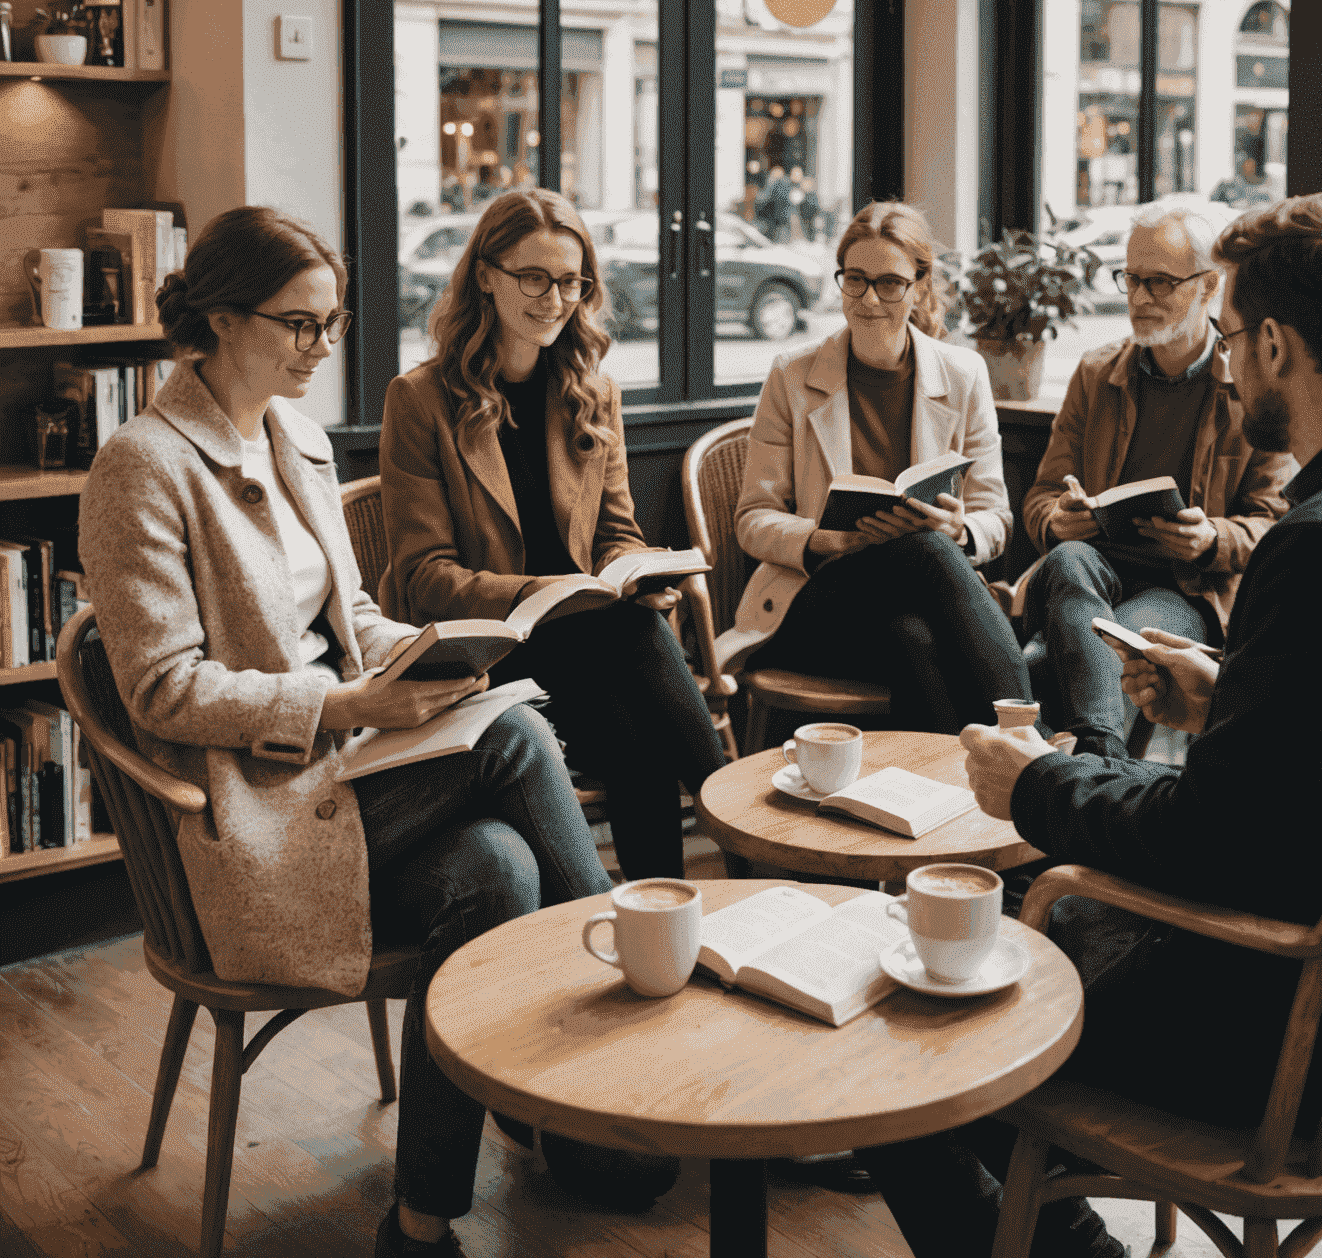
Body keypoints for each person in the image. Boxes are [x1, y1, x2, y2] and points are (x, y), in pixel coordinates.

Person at [857, 191, 1322, 1258]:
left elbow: (1204, 838)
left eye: (1230, 335)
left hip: (1296, 1026)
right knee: (1019, 912)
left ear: (1273, 345)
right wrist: (1225, 692)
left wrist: (1030, 783)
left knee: (907, 1020)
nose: (1225, 357)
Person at [77, 207, 627, 1258]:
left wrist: (428, 649)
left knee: (500, 867)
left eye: (330, 323)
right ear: (218, 321)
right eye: (299, 325)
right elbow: (161, 690)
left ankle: (421, 1222)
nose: (322, 348)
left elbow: (345, 619)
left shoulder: (297, 439)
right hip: (258, 815)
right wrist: (342, 706)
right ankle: (620, 1060)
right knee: (517, 744)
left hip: (360, 771)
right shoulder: (141, 467)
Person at [378, 189, 727, 882]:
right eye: (533, 278)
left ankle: (659, 924)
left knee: (635, 726)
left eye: (571, 281)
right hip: (490, 658)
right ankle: (738, 832)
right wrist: (554, 593)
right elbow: (425, 578)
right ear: (486, 274)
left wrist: (634, 574)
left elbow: (618, 536)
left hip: (591, 646)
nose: (555, 298)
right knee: (630, 648)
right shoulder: (420, 400)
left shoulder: (589, 390)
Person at [720, 200, 1033, 733]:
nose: (868, 300)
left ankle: (947, 795)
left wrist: (961, 528)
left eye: (889, 283)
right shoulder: (792, 374)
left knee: (913, 636)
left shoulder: (963, 375)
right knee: (925, 550)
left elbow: (995, 517)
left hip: (911, 611)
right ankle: (1031, 742)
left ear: (918, 286)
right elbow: (754, 518)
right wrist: (828, 540)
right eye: (855, 280)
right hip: (813, 607)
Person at [1019, 199, 1293, 757]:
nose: (1140, 298)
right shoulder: (1098, 374)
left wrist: (1212, 538)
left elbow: (1275, 521)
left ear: (1208, 285)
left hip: (1187, 589)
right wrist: (1058, 519)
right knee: (1069, 560)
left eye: (1161, 282)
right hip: (1091, 573)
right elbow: (1041, 498)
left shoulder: (1248, 386)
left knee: (1056, 663)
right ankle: (1098, 764)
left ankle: (1071, 777)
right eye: (1131, 278)